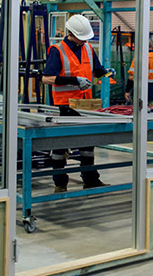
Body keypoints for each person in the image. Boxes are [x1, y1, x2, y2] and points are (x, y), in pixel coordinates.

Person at [40, 14, 109, 193]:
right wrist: (74, 81)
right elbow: (47, 78)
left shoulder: (88, 49)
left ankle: (90, 179)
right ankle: (60, 183)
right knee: (60, 145)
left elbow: (96, 71)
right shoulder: (57, 50)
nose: (84, 41)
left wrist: (105, 72)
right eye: (81, 37)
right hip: (64, 106)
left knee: (88, 144)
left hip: (85, 105)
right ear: (70, 33)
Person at [127, 32, 153, 105]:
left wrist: (127, 91)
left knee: (139, 111)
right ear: (152, 46)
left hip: (140, 92)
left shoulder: (138, 58)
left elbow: (131, 77)